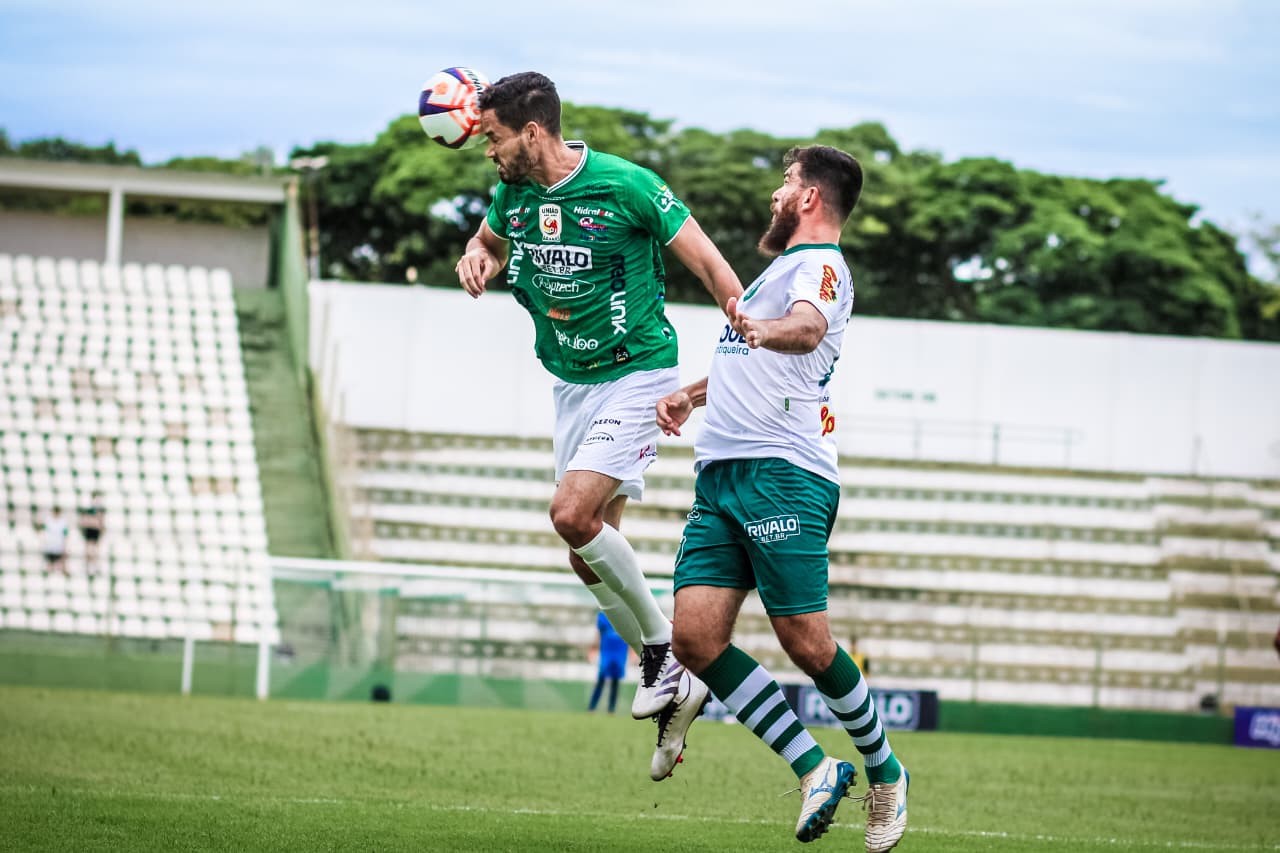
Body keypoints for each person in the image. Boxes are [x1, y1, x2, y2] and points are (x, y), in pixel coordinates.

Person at [454, 71, 743, 778]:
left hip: (638, 372)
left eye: (491, 137)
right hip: (571, 385)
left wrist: (742, 321)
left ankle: (662, 647)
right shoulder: (513, 193)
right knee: (585, 552)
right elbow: (491, 240)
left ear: (531, 131)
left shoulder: (627, 185)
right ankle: (677, 684)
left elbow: (706, 260)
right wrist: (477, 254)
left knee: (571, 512)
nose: (486, 151)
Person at [655, 145, 908, 851]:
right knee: (695, 637)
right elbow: (749, 360)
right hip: (723, 474)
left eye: (786, 181)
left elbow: (806, 329)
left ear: (809, 198)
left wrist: (766, 327)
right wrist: (690, 393)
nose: (775, 192)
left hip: (784, 472)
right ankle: (813, 765)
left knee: (805, 640)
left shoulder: (820, 269)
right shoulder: (778, 270)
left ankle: (886, 770)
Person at [588, 611, 630, 714]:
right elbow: (598, 632)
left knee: (615, 681)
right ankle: (591, 708)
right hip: (607, 649)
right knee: (601, 679)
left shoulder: (625, 613)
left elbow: (630, 631)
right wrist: (594, 647)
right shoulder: (604, 613)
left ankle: (611, 710)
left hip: (620, 649)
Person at [77, 493, 105, 574]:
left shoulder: (100, 510)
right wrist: (93, 522)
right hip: (89, 532)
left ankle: (95, 567)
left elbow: (101, 524)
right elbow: (84, 522)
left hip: (96, 533)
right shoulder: (88, 510)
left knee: (95, 551)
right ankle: (86, 567)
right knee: (88, 550)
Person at [41, 507, 68, 575]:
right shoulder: (48, 521)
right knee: (50, 562)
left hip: (59, 545)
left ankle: (63, 571)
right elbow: (44, 532)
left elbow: (65, 535)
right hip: (50, 545)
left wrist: (64, 547)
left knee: (61, 561)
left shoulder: (63, 522)